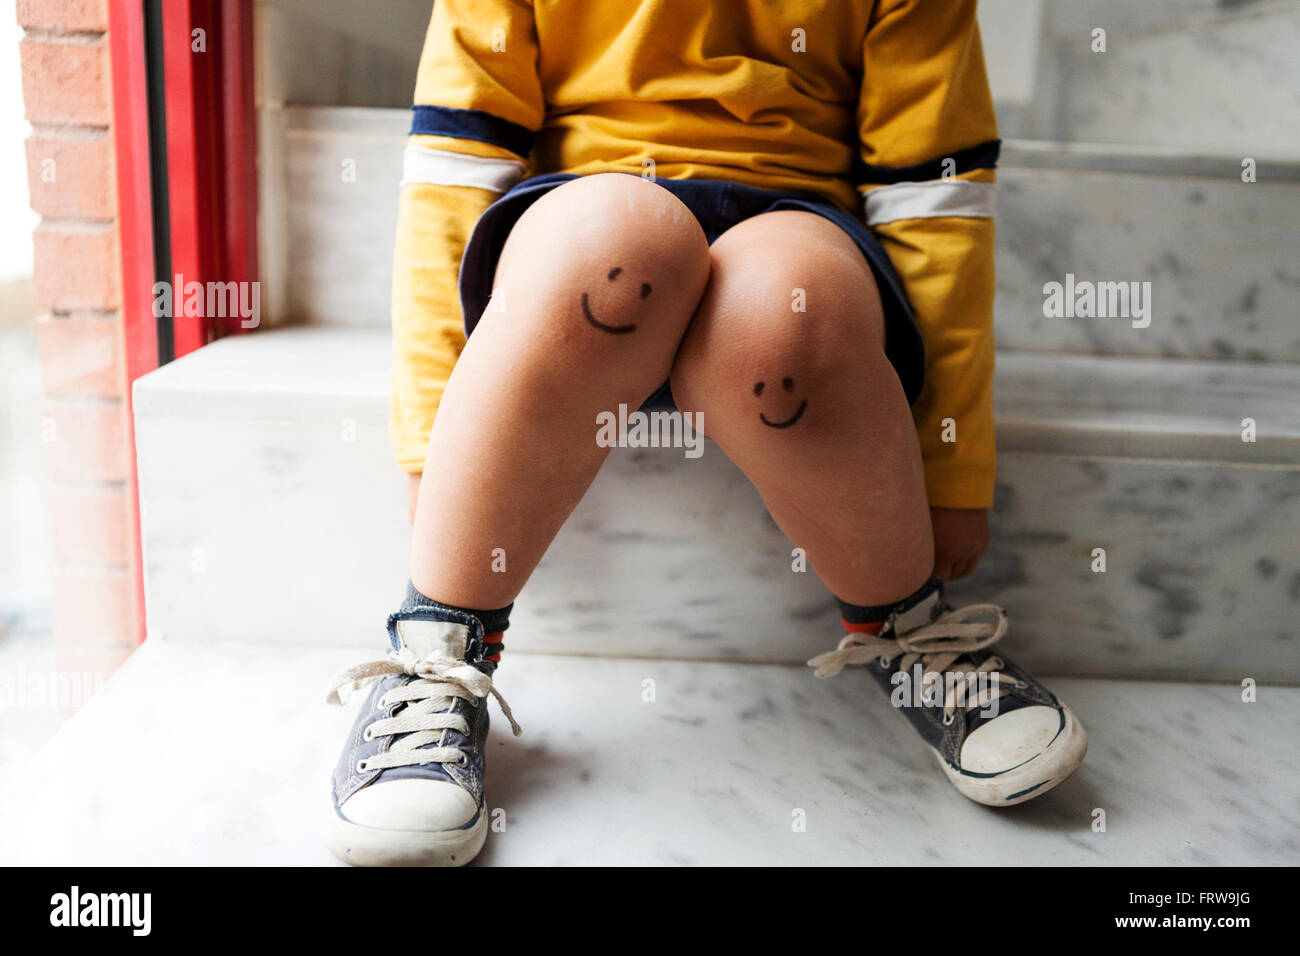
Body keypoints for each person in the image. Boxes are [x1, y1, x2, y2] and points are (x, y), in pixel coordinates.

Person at [325, 0, 1087, 867]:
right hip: (586, 237)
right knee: (621, 244)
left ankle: (911, 630)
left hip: (796, 231)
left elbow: (934, 195)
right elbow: (456, 161)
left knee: (779, 320)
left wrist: (949, 459)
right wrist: (436, 429)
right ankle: (438, 649)